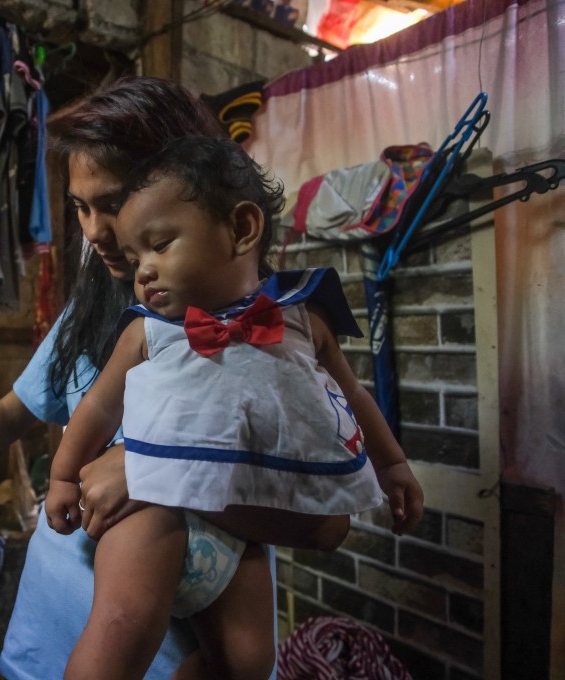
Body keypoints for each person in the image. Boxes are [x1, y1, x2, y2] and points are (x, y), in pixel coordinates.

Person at [0, 76, 424, 679]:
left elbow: (326, 522)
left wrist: (148, 473)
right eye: (80, 207)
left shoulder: (275, 331)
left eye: (110, 203)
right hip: (33, 652)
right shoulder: (110, 316)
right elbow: (17, 409)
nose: (92, 230)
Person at [45, 136, 414, 679]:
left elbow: (352, 397)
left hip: (238, 533)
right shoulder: (149, 331)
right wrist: (61, 476)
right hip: (147, 517)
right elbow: (100, 407)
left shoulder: (301, 319)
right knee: (119, 633)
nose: (143, 271)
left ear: (242, 229)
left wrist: (392, 463)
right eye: (136, 257)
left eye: (160, 245)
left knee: (249, 663)